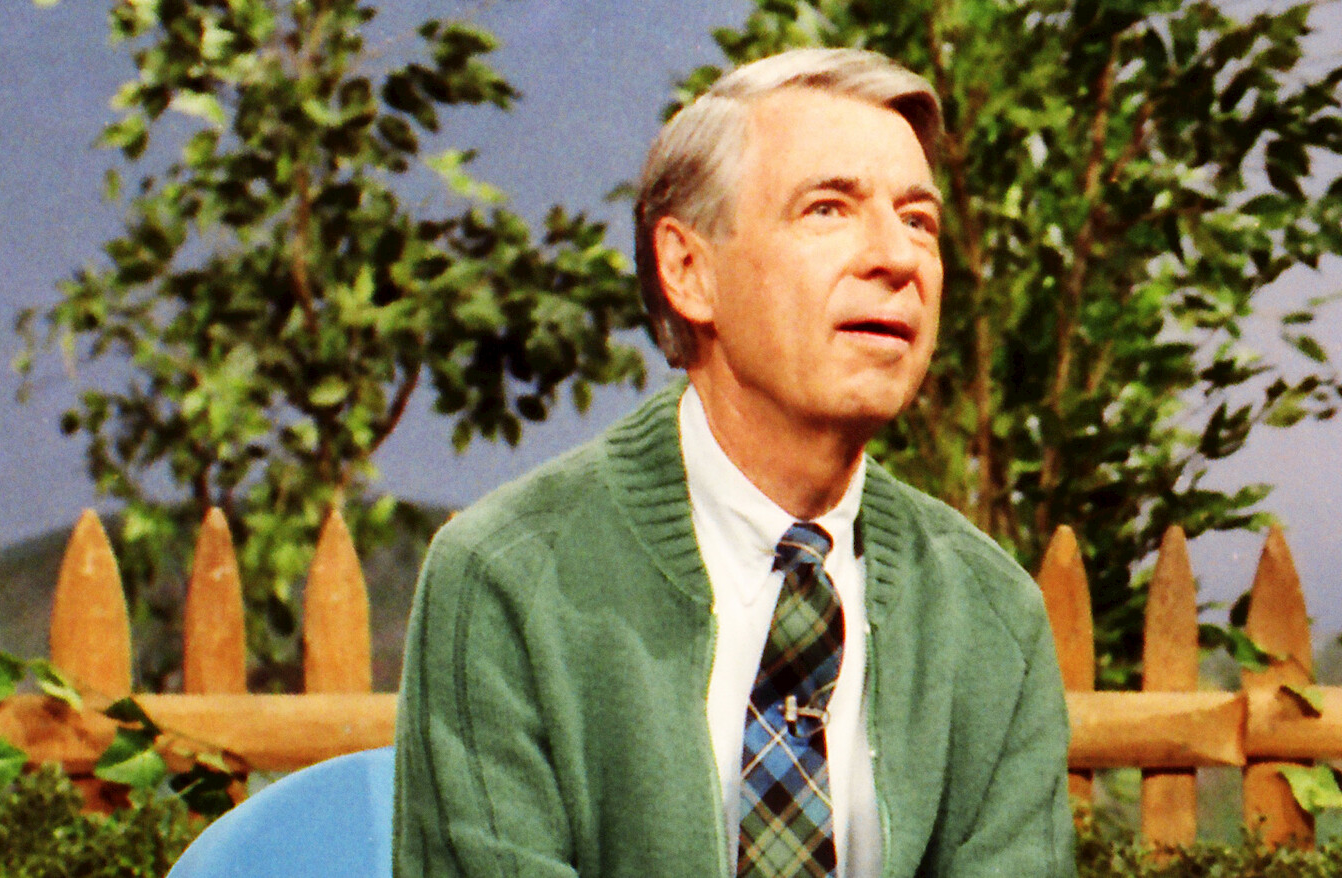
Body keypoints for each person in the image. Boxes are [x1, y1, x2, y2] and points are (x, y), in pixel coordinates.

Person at [392, 47, 1075, 877]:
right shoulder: (505, 579)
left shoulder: (991, 615)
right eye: (828, 209)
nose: (897, 260)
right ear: (689, 270)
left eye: (918, 221)